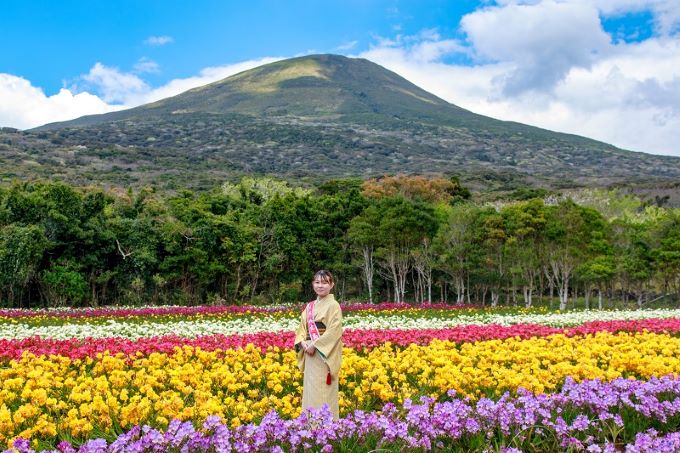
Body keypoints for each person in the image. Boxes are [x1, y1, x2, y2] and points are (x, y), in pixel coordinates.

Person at [294, 269, 343, 420]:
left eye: (324, 282)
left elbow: (334, 330)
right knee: (310, 390)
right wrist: (302, 342)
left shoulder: (333, 305)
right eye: (317, 282)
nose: (320, 286)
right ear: (312, 284)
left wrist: (315, 345)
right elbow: (302, 328)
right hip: (309, 352)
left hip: (322, 354)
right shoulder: (309, 307)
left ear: (331, 285)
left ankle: (326, 428)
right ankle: (309, 426)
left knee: (323, 391)